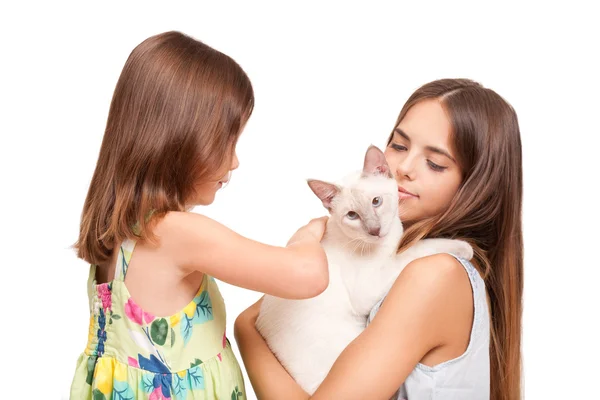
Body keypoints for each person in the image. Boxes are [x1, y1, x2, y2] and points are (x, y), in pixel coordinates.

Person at [69, 31, 329, 400]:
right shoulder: (174, 234)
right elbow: (308, 276)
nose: (235, 161)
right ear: (181, 139)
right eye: (227, 142)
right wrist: (311, 232)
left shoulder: (118, 234)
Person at [234, 78, 523, 400]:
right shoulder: (403, 256)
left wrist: (245, 329)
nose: (403, 168)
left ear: (476, 186)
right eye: (398, 146)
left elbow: (259, 319)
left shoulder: (436, 274)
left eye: (435, 163)